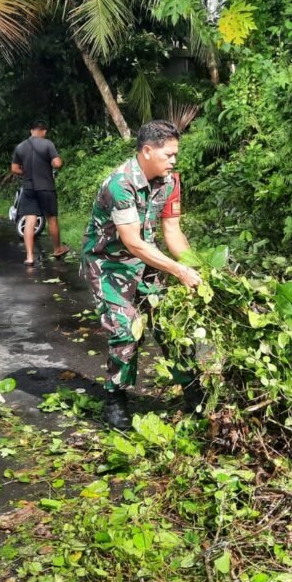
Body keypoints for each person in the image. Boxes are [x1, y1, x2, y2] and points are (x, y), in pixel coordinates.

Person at [82, 119, 202, 429]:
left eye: (176, 154)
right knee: (125, 329)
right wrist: (177, 270)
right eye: (169, 155)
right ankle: (115, 398)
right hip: (107, 264)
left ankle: (194, 392)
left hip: (146, 261)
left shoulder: (171, 182)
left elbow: (172, 231)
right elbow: (132, 242)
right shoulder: (118, 185)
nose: (174, 161)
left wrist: (197, 268)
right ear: (147, 151)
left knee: (170, 326)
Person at [11, 120, 69, 265]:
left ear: (31, 131)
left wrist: (26, 172)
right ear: (44, 131)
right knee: (52, 219)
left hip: (28, 188)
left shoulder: (20, 146)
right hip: (46, 187)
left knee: (30, 221)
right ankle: (57, 249)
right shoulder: (47, 144)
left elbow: (14, 168)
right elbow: (57, 164)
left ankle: (29, 257)